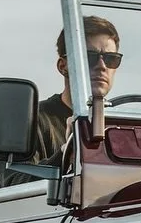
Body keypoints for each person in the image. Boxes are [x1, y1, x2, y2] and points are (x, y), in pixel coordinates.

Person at [32, 16, 122, 162]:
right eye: (89, 57)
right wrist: (66, 152)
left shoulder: (121, 128)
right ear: (63, 66)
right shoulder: (34, 119)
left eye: (111, 58)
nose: (102, 66)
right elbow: (14, 181)